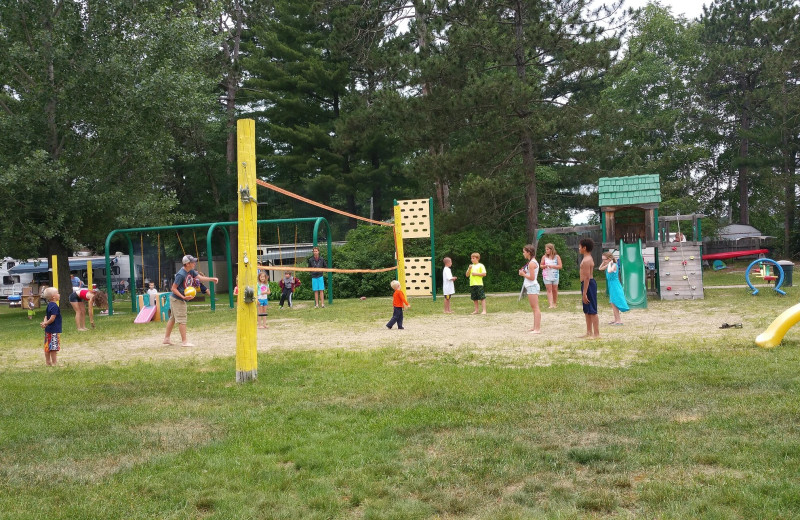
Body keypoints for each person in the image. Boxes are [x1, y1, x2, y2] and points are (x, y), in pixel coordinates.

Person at [163, 255, 218, 347]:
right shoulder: (181, 274)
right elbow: (173, 288)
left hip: (176, 299)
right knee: (182, 320)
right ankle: (184, 342)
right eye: (193, 262)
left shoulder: (191, 271)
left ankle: (166, 339)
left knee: (172, 318)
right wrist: (183, 297)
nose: (194, 263)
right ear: (187, 264)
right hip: (177, 299)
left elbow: (200, 278)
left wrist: (212, 279)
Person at [599, 252, 630, 325]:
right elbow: (600, 268)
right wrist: (605, 263)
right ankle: (616, 319)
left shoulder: (614, 265)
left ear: (609, 259)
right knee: (612, 303)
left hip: (615, 285)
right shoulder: (609, 265)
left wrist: (609, 264)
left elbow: (609, 271)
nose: (603, 261)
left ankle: (619, 320)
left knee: (615, 302)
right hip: (611, 285)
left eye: (604, 259)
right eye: (602, 259)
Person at [579, 238, 600, 339]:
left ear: (584, 248)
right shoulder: (586, 258)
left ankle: (596, 334)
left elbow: (587, 277)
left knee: (592, 310)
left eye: (580, 246)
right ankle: (589, 332)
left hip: (589, 285)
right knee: (587, 310)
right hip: (585, 284)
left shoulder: (587, 260)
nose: (579, 248)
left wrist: (584, 293)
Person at [519, 244, 541, 333]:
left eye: (524, 252)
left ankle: (537, 329)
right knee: (534, 308)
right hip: (531, 286)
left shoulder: (532, 263)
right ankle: (535, 327)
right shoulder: (531, 262)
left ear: (529, 252)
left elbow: (532, 277)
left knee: (535, 308)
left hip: (532, 286)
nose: (523, 254)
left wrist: (523, 274)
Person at [40, 287, 61, 366]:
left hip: (48, 330)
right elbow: (52, 318)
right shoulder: (55, 306)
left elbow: (46, 316)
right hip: (53, 330)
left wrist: (45, 322)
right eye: (58, 292)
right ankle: (54, 363)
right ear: (53, 296)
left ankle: (48, 362)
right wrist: (46, 323)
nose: (59, 294)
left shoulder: (49, 305)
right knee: (53, 347)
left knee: (47, 346)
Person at [540, 243, 563, 309]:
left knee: (555, 289)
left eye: (547, 249)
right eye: (546, 249)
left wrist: (553, 266)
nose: (546, 251)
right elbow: (541, 265)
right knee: (549, 290)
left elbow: (560, 266)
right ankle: (550, 304)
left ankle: (555, 303)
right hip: (547, 275)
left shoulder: (557, 257)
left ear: (551, 249)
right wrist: (544, 266)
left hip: (555, 275)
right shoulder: (544, 257)